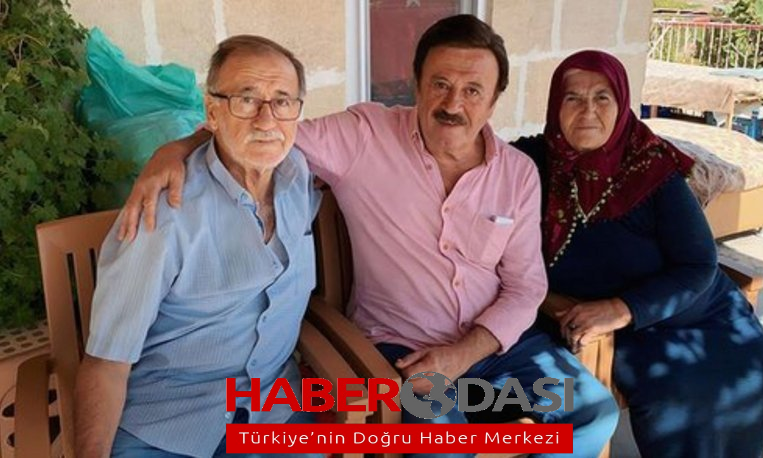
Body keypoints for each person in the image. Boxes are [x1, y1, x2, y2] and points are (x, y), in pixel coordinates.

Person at [118, 15, 619, 458]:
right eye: (440, 84)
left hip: (497, 351)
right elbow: (264, 128)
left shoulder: (517, 173)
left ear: (494, 100)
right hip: (402, 351)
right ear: (416, 85)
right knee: (444, 441)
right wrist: (178, 148)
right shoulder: (363, 137)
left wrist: (464, 354)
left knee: (592, 413)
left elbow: (526, 286)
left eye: (473, 91)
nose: (453, 104)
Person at [511, 50, 763, 458]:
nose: (588, 110)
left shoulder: (650, 167)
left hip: (694, 310)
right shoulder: (530, 164)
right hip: (631, 334)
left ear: (622, 103)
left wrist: (621, 308)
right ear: (556, 106)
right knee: (679, 399)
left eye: (602, 97)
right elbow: (475, 157)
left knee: (758, 380)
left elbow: (698, 264)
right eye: (573, 98)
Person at [74, 35, 322, 458]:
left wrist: (180, 145)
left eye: (282, 101)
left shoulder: (298, 173)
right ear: (212, 112)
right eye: (246, 100)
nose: (267, 119)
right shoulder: (164, 213)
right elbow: (107, 363)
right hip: (169, 425)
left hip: (274, 411)